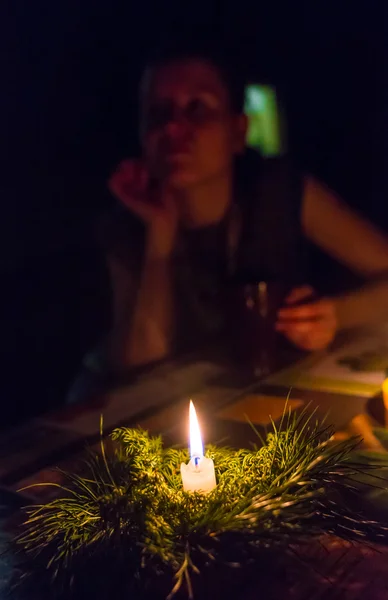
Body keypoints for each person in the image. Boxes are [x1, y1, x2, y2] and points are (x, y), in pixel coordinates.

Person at [70, 36, 388, 400]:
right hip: (171, 410)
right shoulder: (125, 223)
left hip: (261, 398)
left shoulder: (279, 192)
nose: (173, 129)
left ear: (238, 132)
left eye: (197, 109)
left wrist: (334, 315)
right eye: (158, 113)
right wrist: (160, 233)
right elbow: (142, 372)